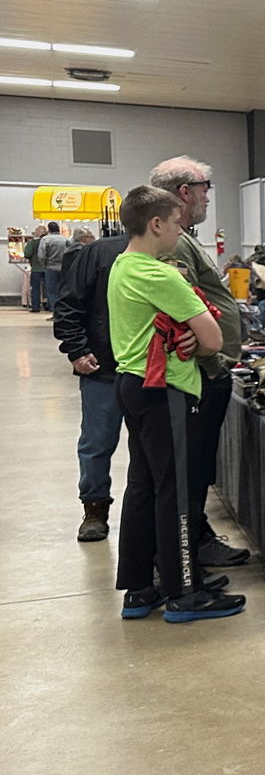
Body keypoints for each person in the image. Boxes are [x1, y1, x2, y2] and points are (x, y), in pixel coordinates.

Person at [107, 186, 245, 622]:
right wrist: (195, 336)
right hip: (166, 391)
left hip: (134, 385)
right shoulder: (161, 274)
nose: (180, 229)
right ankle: (184, 590)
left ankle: (141, 586)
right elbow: (214, 339)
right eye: (176, 222)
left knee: (145, 485)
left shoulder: (122, 266)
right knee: (179, 491)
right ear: (156, 224)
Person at [150, 156, 251, 568]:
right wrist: (210, 357)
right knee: (191, 465)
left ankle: (196, 534)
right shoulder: (175, 242)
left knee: (197, 463)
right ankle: (191, 545)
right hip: (201, 375)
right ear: (185, 192)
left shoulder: (184, 237)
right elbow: (184, 304)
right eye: (205, 186)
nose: (209, 195)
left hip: (206, 370)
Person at [53, 228, 131, 541]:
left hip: (152, 371)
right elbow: (69, 303)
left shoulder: (171, 252)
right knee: (96, 443)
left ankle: (152, 516)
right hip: (103, 368)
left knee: (153, 449)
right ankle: (94, 509)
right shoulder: (99, 253)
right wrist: (76, 349)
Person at [38, 221, 71, 313]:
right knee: (62, 290)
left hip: (51, 268)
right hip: (64, 268)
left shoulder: (46, 239)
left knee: (52, 291)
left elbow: (41, 255)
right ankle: (63, 310)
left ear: (49, 229)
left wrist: (44, 265)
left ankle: (55, 311)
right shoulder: (65, 239)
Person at [23, 224, 45, 311]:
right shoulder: (48, 241)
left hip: (36, 268)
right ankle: (50, 306)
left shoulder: (32, 242)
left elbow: (27, 254)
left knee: (35, 288)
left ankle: (35, 307)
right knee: (49, 289)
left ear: (37, 233)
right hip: (48, 268)